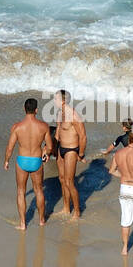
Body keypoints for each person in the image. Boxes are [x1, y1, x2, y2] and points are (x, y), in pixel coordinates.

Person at [4, 97, 52, 230]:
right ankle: (42, 220)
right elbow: (49, 146)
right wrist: (45, 153)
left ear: (24, 109)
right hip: (36, 161)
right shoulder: (43, 126)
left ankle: (23, 224)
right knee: (39, 191)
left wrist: (7, 161)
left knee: (21, 191)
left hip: (22, 161)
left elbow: (10, 148)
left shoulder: (17, 127)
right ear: (36, 110)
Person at [52, 89, 87, 220]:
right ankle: (66, 208)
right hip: (60, 149)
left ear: (63, 100)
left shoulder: (74, 115)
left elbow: (83, 136)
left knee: (69, 181)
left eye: (55, 98)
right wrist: (50, 150)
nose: (54, 101)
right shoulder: (59, 113)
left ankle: (77, 212)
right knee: (61, 179)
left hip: (71, 150)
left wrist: (81, 153)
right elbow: (57, 134)